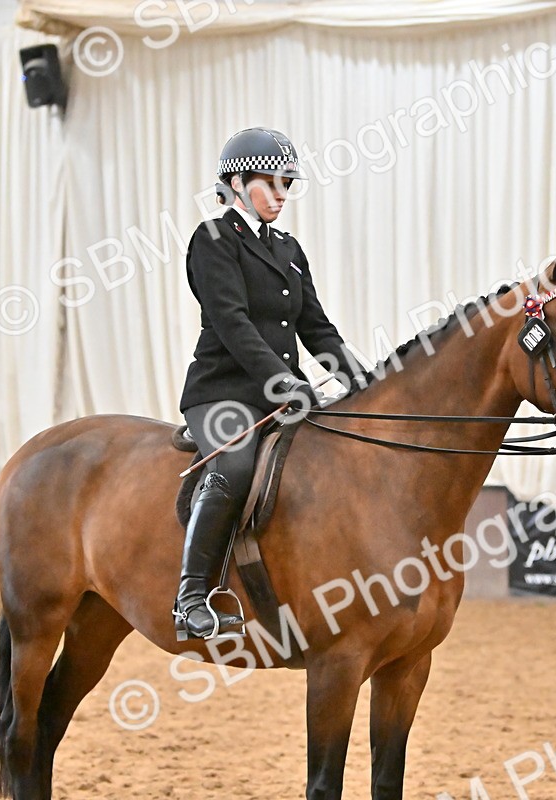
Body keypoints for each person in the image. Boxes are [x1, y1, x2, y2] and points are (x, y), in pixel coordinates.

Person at [176, 127, 366, 639]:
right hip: (222, 392)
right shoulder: (212, 240)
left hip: (282, 393)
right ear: (237, 184)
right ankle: (191, 595)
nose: (282, 194)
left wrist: (360, 380)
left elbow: (315, 326)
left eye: (288, 184)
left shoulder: (287, 247)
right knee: (234, 468)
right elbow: (233, 323)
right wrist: (284, 382)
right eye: (273, 182)